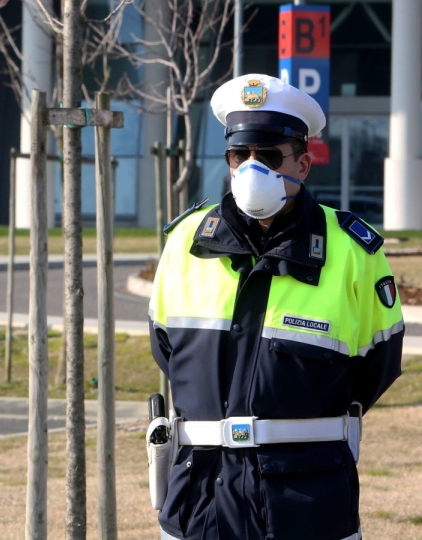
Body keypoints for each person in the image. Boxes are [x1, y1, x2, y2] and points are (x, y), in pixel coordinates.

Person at [146, 74, 404, 540]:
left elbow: (376, 368)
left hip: (306, 505)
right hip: (200, 500)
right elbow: (167, 351)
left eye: (267, 156)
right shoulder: (184, 243)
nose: (251, 168)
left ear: (303, 164)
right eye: (238, 155)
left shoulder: (352, 252)